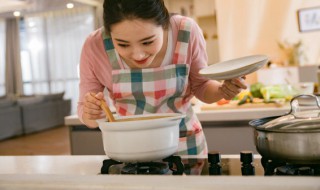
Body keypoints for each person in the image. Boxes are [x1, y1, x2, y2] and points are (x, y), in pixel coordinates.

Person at [78, 0, 247, 158]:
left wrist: (222, 91)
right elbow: (86, 112)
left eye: (147, 42)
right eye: (122, 44)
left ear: (165, 24)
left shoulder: (185, 32)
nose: (138, 54)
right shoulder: (94, 46)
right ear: (108, 31)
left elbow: (201, 87)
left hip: (185, 146)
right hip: (129, 150)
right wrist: (93, 112)